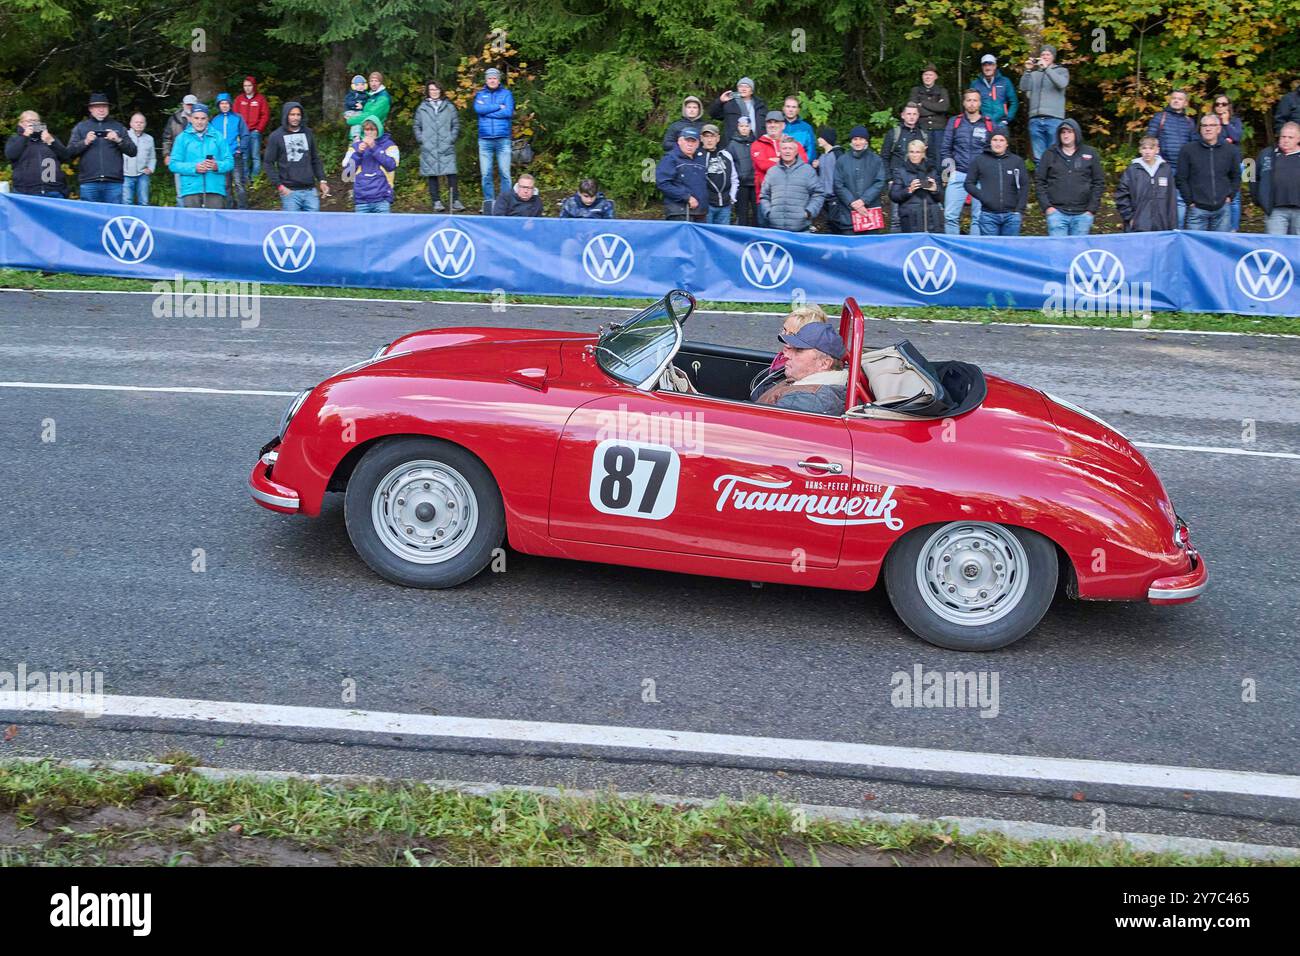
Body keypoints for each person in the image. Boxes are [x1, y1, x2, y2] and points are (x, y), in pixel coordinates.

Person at [750, 322, 848, 417]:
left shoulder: (806, 400)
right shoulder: (805, 383)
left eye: (799, 350)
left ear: (824, 363)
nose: (786, 354)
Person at [1036, 118, 1104, 236]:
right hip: (1056, 214)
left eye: (1069, 132)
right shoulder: (1049, 154)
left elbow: (1098, 182)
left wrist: (1091, 209)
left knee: (1078, 252)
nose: (1066, 135)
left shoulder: (1090, 153)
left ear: (1076, 133)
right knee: (1058, 252)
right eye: (1063, 132)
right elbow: (1039, 181)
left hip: (1083, 214)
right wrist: (1047, 207)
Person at [67, 92, 137, 203]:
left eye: (104, 106)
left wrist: (118, 140)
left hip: (114, 183)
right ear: (90, 109)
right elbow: (69, 153)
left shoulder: (118, 127)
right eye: (97, 107)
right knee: (90, 218)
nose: (101, 110)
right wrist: (85, 142)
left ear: (108, 108)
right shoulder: (81, 127)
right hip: (89, 182)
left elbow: (133, 151)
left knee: (113, 218)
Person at [941, 89, 994, 234]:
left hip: (981, 176)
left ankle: (973, 251)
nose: (972, 103)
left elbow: (994, 151)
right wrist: (948, 174)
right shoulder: (955, 122)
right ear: (964, 103)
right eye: (968, 100)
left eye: (975, 100)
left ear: (980, 103)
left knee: (978, 217)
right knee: (950, 216)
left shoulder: (988, 124)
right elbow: (946, 149)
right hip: (958, 173)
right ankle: (953, 250)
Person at [1177, 114, 1240, 232]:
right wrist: (1189, 201)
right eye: (1204, 125)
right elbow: (1181, 178)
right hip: (1197, 210)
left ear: (1219, 128)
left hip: (1222, 209)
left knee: (1220, 247)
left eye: (1212, 125)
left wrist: (1230, 196)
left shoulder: (1231, 150)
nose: (1208, 128)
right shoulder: (1187, 150)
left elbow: (1236, 176)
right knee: (1195, 248)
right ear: (1200, 129)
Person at [263, 101, 330, 211]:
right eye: (292, 114)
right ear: (286, 116)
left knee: (312, 226)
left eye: (298, 115)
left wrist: (322, 180)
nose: (295, 118)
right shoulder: (276, 136)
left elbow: (315, 159)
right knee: (293, 227)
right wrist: (279, 185)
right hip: (289, 192)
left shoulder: (308, 133)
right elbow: (268, 163)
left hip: (310, 191)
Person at [168, 103, 233, 209]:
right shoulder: (182, 138)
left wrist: (217, 166)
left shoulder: (218, 136)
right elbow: (173, 164)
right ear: (190, 119)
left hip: (215, 188)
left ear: (208, 119)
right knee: (192, 224)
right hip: (191, 189)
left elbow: (230, 162)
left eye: (203, 118)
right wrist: (194, 168)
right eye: (196, 118)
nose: (199, 122)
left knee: (214, 224)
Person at [965, 127, 1028, 235]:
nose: (998, 143)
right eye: (995, 140)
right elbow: (968, 183)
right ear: (990, 142)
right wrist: (983, 196)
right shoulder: (980, 160)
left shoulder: (1016, 161)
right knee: (990, 250)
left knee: (1009, 250)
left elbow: (1024, 185)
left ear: (1007, 143)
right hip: (988, 215)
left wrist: (1019, 210)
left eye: (1002, 140)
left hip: (1012, 215)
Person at [1145, 90, 1196, 225]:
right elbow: (1149, 141)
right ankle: (1160, 230)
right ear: (1169, 100)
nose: (1176, 101)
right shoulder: (1160, 118)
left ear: (1185, 103)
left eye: (1180, 99)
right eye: (1174, 98)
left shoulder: (1189, 122)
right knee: (1159, 200)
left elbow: (1194, 145)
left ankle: (1176, 230)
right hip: (1163, 167)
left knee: (1180, 202)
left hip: (1182, 168)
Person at [750, 111, 808, 225]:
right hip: (765, 198)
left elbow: (803, 163)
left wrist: (773, 159)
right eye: (769, 122)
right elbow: (763, 165)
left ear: (783, 125)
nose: (772, 125)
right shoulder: (757, 144)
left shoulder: (794, 143)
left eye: (776, 122)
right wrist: (786, 160)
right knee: (765, 236)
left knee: (786, 236)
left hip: (791, 199)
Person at [413, 80, 462, 212]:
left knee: (451, 173)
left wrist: (451, 139)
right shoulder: (422, 108)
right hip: (429, 146)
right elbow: (417, 125)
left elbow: (456, 124)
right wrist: (422, 139)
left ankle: (455, 200)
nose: (434, 92)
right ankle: (436, 201)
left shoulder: (449, 107)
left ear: (441, 90)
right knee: (432, 175)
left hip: (446, 145)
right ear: (428, 92)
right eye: (431, 90)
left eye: (436, 89)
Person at [880, 103, 928, 233]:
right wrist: (889, 179)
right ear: (903, 115)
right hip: (897, 181)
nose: (911, 117)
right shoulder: (894, 133)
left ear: (918, 116)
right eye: (908, 114)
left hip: (918, 180)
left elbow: (929, 158)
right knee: (896, 218)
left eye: (914, 114)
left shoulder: (923, 135)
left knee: (919, 216)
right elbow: (884, 157)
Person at [1114, 136, 1177, 232]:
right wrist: (1129, 217)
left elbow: (1171, 199)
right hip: (1138, 224)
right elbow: (1121, 195)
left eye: (1151, 148)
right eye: (1144, 148)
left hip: (1161, 224)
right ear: (1140, 150)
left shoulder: (1165, 169)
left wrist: (1172, 225)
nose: (1147, 152)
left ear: (1157, 150)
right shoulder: (1132, 169)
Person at [761, 136, 823, 232]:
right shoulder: (772, 171)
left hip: (801, 230)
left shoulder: (807, 171)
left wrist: (808, 212)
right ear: (780, 151)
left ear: (796, 151)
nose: (787, 151)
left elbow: (818, 194)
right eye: (784, 148)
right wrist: (769, 212)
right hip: (776, 229)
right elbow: (764, 195)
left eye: (791, 148)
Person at [832, 125, 886, 234]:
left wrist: (863, 200)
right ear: (851, 141)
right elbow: (838, 184)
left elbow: (880, 182)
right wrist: (852, 202)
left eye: (861, 139)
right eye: (855, 139)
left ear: (866, 141)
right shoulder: (842, 160)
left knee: (870, 249)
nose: (858, 142)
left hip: (869, 213)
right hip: (848, 214)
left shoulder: (876, 160)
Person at [474, 67, 514, 212]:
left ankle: (505, 203)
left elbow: (508, 112)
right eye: (489, 78)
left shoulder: (506, 94)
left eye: (495, 78)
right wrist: (498, 107)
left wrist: (487, 112)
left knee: (505, 173)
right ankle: (489, 203)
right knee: (486, 174)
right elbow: (478, 110)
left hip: (503, 139)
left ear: (499, 80)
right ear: (486, 80)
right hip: (485, 140)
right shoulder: (480, 94)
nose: (492, 80)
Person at [1019, 45, 1069, 161]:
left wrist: (1047, 69)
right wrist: (1027, 70)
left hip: (1054, 119)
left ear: (1053, 57)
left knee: (1055, 155)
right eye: (1043, 54)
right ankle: (1041, 179)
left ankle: (1054, 179)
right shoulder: (1034, 73)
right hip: (1035, 119)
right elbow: (1023, 88)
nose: (1045, 56)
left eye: (1048, 54)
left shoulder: (1062, 71)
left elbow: (1062, 84)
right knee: (1038, 158)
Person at [6, 110, 71, 198]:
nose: (33, 123)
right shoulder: (15, 139)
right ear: (21, 124)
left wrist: (52, 142)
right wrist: (25, 136)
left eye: (36, 121)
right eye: (29, 121)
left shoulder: (50, 137)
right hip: (25, 192)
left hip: (54, 191)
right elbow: (11, 155)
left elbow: (66, 156)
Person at [342, 116, 399, 213]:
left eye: (372, 129)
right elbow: (347, 175)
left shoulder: (390, 145)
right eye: (366, 130)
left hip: (382, 198)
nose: (369, 133)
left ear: (379, 130)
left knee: (383, 228)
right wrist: (358, 153)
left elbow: (391, 165)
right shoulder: (355, 147)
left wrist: (374, 147)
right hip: (361, 199)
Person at [1252, 122, 1300, 235]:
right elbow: (1251, 175)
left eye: (1290, 137)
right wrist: (1258, 200)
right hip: (1275, 210)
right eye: (1283, 136)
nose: (1286, 140)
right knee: (1275, 247)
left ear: (1298, 139)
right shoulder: (1266, 154)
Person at [889, 139, 944, 233]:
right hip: (910, 218)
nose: (914, 155)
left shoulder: (932, 170)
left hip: (932, 218)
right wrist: (909, 190)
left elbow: (942, 197)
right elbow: (893, 196)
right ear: (908, 153)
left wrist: (935, 190)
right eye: (911, 152)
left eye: (918, 152)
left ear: (923, 153)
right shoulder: (900, 171)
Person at [656, 127, 708, 222]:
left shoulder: (701, 160)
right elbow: (663, 184)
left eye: (693, 141)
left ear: (698, 144)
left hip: (700, 213)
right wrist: (686, 197)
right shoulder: (670, 159)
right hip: (679, 212)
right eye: (687, 140)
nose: (690, 144)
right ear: (679, 141)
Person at [1209, 95, 1245, 230]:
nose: (1220, 107)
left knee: (1234, 198)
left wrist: (1225, 123)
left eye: (1223, 104)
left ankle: (1233, 229)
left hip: (1234, 163)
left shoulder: (1235, 121)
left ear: (1229, 105)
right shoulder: (1210, 122)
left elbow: (1237, 137)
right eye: (1217, 104)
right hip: (1215, 163)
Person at [211, 93, 249, 208]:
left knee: (239, 183)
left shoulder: (238, 118)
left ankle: (243, 208)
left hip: (235, 155)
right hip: (221, 158)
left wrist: (240, 149)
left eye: (226, 103)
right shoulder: (215, 121)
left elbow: (245, 135)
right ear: (218, 105)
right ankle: (229, 208)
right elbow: (212, 139)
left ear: (230, 104)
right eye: (222, 103)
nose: (224, 106)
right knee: (226, 185)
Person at [699, 124, 738, 224]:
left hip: (725, 205)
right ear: (701, 138)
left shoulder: (726, 155)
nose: (709, 140)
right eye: (706, 136)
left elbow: (734, 178)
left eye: (712, 136)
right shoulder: (697, 156)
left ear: (718, 138)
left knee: (723, 235)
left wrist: (732, 197)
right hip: (707, 205)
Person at [909, 63, 951, 157]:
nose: (928, 77)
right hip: (922, 128)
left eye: (930, 75)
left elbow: (944, 107)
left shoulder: (942, 91)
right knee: (921, 156)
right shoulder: (915, 90)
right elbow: (914, 110)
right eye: (925, 75)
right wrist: (936, 108)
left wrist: (923, 103)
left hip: (939, 129)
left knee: (939, 157)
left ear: (936, 77)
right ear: (922, 76)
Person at [708, 78, 765, 146]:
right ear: (737, 89)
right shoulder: (730, 104)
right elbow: (713, 114)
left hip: (755, 143)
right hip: (734, 144)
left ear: (751, 91)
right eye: (741, 86)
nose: (743, 89)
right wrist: (720, 101)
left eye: (747, 86)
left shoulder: (760, 105)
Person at [162, 94, 196, 207]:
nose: (190, 107)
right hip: (178, 158)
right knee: (180, 190)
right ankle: (181, 215)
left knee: (195, 189)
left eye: (192, 105)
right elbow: (167, 137)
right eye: (188, 104)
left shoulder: (202, 118)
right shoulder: (174, 118)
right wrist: (166, 154)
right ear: (183, 104)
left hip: (196, 158)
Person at [233, 76, 268, 178]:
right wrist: (237, 131)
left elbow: (265, 115)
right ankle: (245, 179)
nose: (247, 88)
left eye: (249, 85)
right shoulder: (239, 99)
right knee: (244, 156)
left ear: (254, 86)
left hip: (254, 132)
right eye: (245, 86)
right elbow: (235, 116)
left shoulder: (260, 99)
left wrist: (259, 129)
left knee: (255, 157)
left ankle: (255, 179)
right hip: (242, 133)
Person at [970, 54, 1018, 127]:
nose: (987, 67)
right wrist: (975, 119)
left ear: (995, 66)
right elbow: (970, 103)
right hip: (982, 123)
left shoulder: (1005, 81)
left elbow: (1014, 102)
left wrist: (1007, 119)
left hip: (1001, 123)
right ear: (982, 67)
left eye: (990, 64)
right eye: (985, 65)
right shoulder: (975, 84)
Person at [726, 115, 757, 226]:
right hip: (741, 184)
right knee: (742, 213)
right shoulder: (732, 144)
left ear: (750, 127)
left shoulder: (757, 143)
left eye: (747, 126)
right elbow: (729, 165)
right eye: (741, 126)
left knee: (757, 213)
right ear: (738, 127)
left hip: (755, 183)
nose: (744, 128)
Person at [121, 113, 155, 205]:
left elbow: (152, 157)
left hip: (142, 174)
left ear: (145, 124)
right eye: (136, 122)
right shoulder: (124, 136)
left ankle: (143, 219)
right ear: (131, 124)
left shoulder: (149, 139)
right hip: (125, 174)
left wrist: (151, 168)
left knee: (144, 202)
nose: (139, 124)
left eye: (141, 122)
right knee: (126, 201)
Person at [347, 72, 392, 136]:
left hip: (373, 135)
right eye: (371, 81)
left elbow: (370, 115)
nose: (373, 84)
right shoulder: (370, 95)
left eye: (376, 81)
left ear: (380, 82)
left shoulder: (383, 97)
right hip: (362, 134)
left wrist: (350, 120)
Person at [815, 127, 842, 231]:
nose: (818, 139)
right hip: (824, 196)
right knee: (828, 224)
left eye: (820, 137)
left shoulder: (838, 154)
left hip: (835, 196)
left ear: (827, 139)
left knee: (836, 223)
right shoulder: (821, 156)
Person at [343, 75, 368, 139]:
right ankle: (356, 136)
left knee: (360, 122)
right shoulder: (352, 94)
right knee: (356, 122)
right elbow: (348, 102)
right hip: (350, 111)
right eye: (358, 85)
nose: (360, 87)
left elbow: (366, 103)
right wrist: (355, 104)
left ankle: (358, 135)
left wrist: (362, 105)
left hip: (359, 111)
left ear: (365, 85)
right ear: (354, 86)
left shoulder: (366, 94)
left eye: (362, 84)